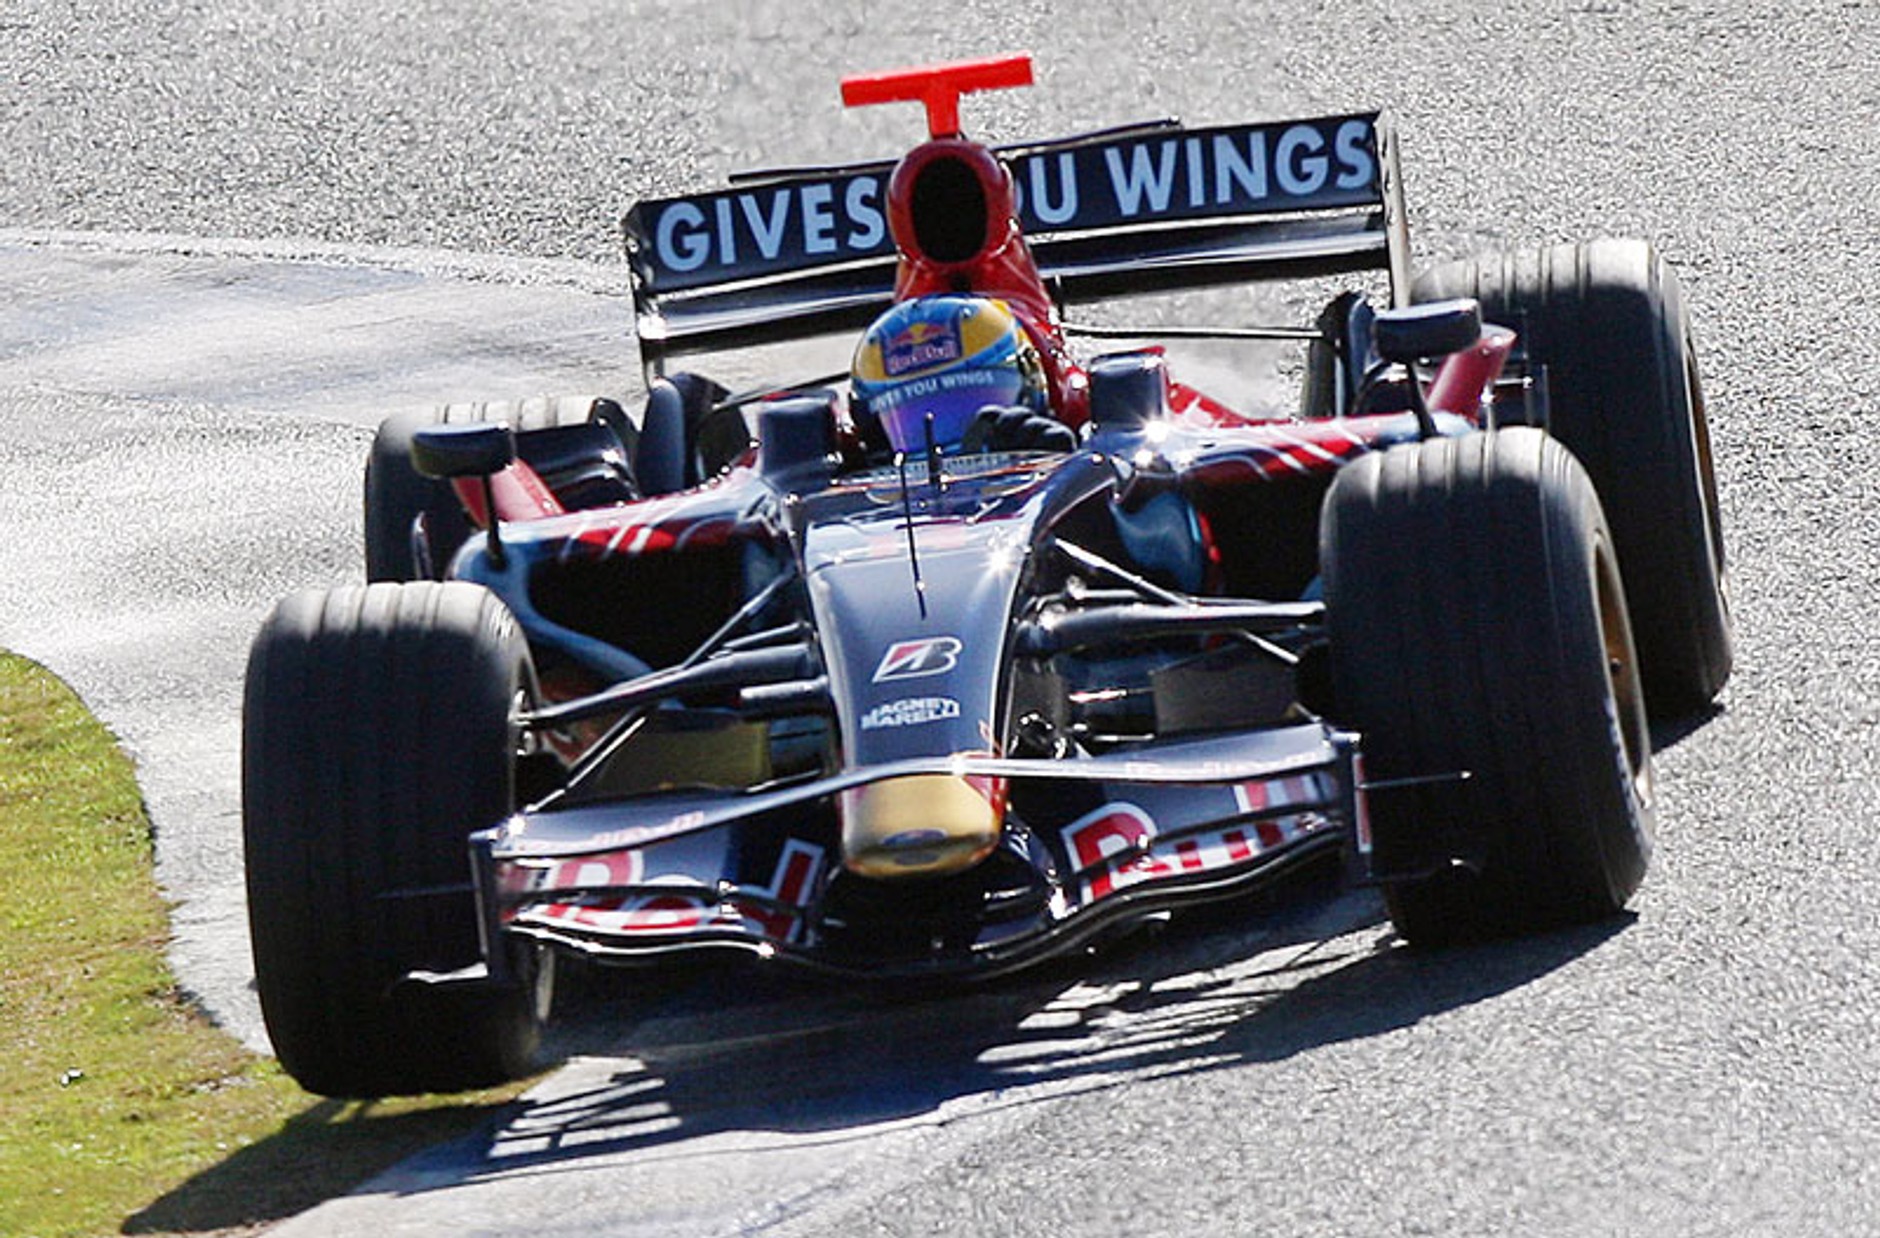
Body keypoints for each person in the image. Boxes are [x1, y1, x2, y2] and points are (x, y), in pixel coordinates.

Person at [850, 294, 1074, 456]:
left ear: (1029, 381)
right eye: (913, 420)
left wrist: (1063, 469)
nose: (952, 454)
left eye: (965, 407)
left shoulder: (1050, 442)